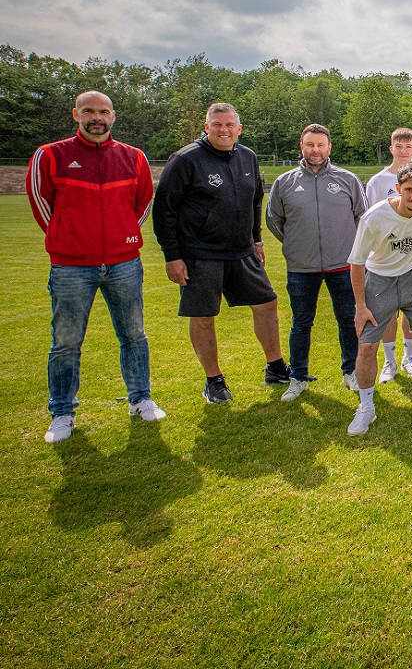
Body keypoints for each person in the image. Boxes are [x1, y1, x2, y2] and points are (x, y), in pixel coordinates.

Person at [27, 90, 161, 443]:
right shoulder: (51, 155)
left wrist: (125, 236)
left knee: (134, 334)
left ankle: (140, 398)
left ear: (113, 116)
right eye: (89, 111)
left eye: (103, 111)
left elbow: (143, 201)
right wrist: (67, 238)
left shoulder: (133, 158)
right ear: (76, 114)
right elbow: (42, 202)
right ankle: (62, 411)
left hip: (124, 262)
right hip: (72, 266)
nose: (96, 117)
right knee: (66, 341)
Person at [152, 102, 287, 404]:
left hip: (242, 252)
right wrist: (172, 256)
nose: (223, 130)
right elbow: (164, 210)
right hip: (201, 254)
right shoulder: (186, 160)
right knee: (203, 317)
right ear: (206, 127)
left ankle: (276, 367)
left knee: (267, 303)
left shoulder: (248, 157)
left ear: (239, 128)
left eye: (229, 125)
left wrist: (257, 240)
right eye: (217, 125)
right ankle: (213, 380)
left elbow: (254, 202)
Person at [266, 124, 367, 402]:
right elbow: (274, 220)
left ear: (329, 148)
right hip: (302, 267)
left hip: (343, 265)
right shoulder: (285, 182)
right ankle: (298, 377)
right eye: (310, 144)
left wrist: (353, 250)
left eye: (321, 145)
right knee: (301, 322)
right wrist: (296, 243)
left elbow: (363, 217)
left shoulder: (347, 179)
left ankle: (352, 372)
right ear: (302, 146)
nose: (316, 150)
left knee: (348, 320)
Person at [346, 163, 412, 434]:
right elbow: (356, 263)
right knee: (367, 347)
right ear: (398, 189)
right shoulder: (374, 217)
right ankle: (366, 406)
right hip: (379, 281)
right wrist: (360, 305)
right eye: (409, 190)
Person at [364, 127, 412, 381]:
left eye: (408, 147)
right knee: (387, 313)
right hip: (384, 257)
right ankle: (389, 362)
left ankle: (409, 357)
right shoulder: (378, 181)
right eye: (399, 147)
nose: (403, 151)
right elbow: (367, 219)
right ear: (391, 149)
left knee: (411, 311)